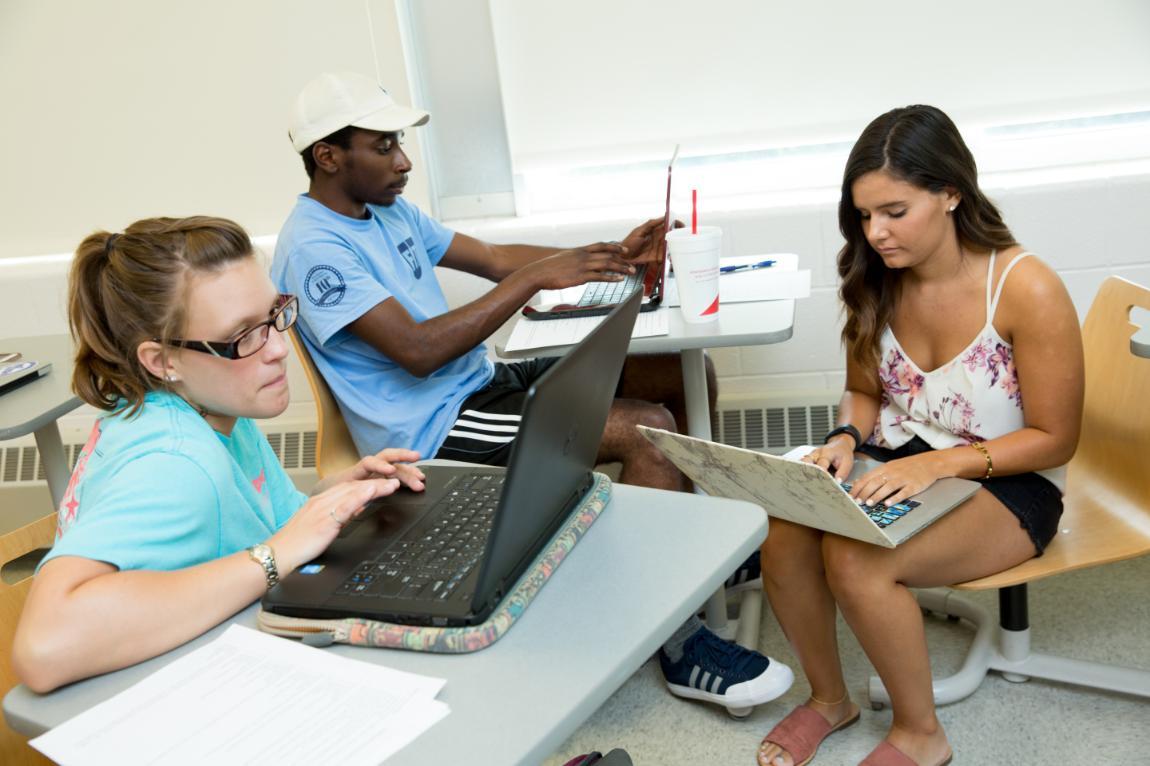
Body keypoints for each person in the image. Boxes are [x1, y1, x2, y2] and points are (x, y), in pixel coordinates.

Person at [272, 71, 793, 712]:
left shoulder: (384, 209)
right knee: (647, 430)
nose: (403, 160)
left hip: (480, 381)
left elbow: (491, 256)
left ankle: (676, 553)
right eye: (384, 146)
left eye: (398, 143)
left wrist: (604, 257)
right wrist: (537, 281)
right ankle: (678, 641)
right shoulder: (313, 247)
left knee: (684, 376)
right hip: (433, 425)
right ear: (328, 156)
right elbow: (417, 352)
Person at [756, 105, 1084, 766]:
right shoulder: (876, 277)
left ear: (951, 192)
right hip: (899, 458)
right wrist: (847, 437)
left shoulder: (1026, 289)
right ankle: (829, 700)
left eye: (894, 212)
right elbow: (866, 392)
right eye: (864, 215)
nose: (875, 233)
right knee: (783, 524)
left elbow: (1057, 439)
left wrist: (938, 468)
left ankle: (919, 734)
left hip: (1010, 480)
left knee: (859, 560)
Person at [12, 216, 425, 693]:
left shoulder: (217, 409)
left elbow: (256, 520)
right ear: (162, 361)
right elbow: (42, 650)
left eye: (275, 316)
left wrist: (332, 497)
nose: (278, 349)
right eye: (243, 335)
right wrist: (276, 555)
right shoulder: (176, 461)